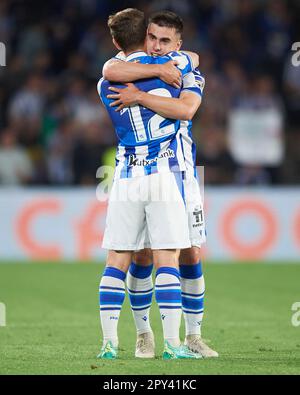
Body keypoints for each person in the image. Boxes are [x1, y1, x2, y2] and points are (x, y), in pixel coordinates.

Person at [102, 10, 218, 358]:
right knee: (142, 252)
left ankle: (193, 336)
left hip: (182, 171)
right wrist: (155, 72)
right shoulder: (153, 67)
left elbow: (186, 109)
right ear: (144, 36)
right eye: (151, 37)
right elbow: (111, 69)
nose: (155, 46)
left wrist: (140, 95)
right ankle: (144, 336)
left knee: (191, 251)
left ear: (177, 44)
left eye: (164, 41)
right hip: (151, 173)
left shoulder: (186, 68)